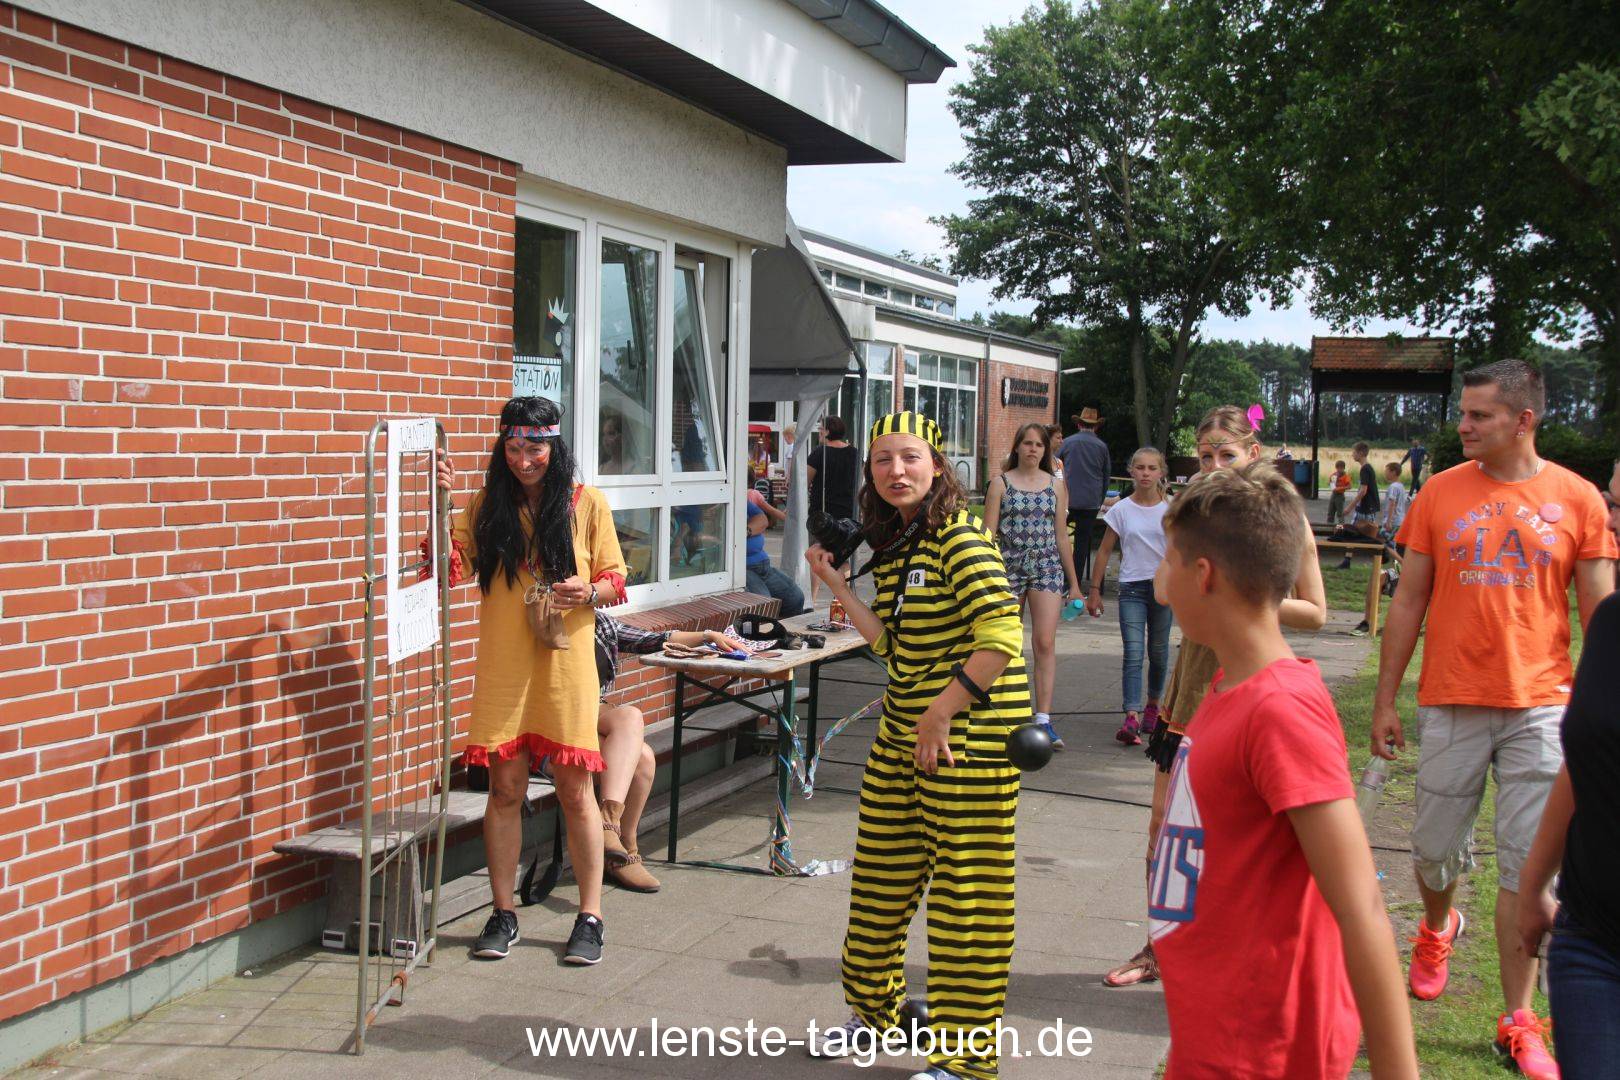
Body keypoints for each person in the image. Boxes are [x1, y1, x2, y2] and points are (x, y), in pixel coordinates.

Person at [1372, 360, 1616, 1080]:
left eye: (1479, 415)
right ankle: (1438, 924)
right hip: (1451, 696)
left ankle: (1519, 1018)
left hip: (1543, 706)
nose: (1464, 425)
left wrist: (1599, 714)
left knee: (1526, 866)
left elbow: (1603, 617)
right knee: (1432, 851)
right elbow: (1409, 600)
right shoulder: (1441, 492)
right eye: (1464, 413)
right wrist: (1386, 699)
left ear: (1523, 420)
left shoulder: (1577, 498)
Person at [1150, 461, 1418, 1079]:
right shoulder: (1230, 684)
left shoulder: (1280, 710)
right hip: (1213, 1027)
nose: (1161, 581)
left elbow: (1362, 908)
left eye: (1168, 561)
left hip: (1260, 1047)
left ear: (1203, 575)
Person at [807, 411, 1028, 1080]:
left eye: (909, 457)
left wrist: (939, 714)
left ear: (937, 465)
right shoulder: (901, 542)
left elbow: (1001, 637)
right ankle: (875, 1015)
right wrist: (838, 586)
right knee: (878, 883)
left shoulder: (961, 538)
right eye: (882, 459)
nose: (896, 470)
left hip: (969, 741)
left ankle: (965, 1060)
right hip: (908, 733)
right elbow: (894, 648)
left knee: (967, 902)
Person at [1103, 404, 1327, 989]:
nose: (1215, 465)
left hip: (1251, 683)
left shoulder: (1283, 518)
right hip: (1192, 686)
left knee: (1232, 833)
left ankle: (1230, 951)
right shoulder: (1190, 514)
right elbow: (1161, 589)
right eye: (1205, 456)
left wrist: (1242, 597)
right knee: (1163, 826)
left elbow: (1316, 611)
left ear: (1253, 454)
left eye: (1226, 454)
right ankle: (1161, 947)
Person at [435, 396, 628, 966]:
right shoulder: (484, 506)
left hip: (566, 669)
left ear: (554, 446)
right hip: (504, 668)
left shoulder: (586, 503)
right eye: (514, 447)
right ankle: (503, 913)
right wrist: (440, 503)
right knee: (504, 791)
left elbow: (615, 577)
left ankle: (590, 916)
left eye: (535, 448)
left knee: (575, 792)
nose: (523, 460)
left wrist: (588, 591)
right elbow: (449, 569)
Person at [593, 612, 748, 893]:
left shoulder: (599, 623)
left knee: (644, 757)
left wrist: (708, 636)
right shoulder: (543, 619)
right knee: (631, 721)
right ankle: (613, 836)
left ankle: (621, 841)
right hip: (557, 722)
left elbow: (654, 639)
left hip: (594, 712)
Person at [984, 423, 1082, 749]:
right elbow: (987, 536)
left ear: (1046, 450)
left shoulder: (1056, 486)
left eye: (1039, 445)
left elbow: (1062, 537)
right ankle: (1001, 713)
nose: (1033, 449)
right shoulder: (999, 484)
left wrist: (1075, 584)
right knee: (1004, 642)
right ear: (1017, 447)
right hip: (1007, 568)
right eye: (1027, 443)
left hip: (1047, 567)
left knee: (1044, 641)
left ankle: (1043, 719)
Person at [1087, 447, 1172, 748]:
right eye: (1140, 467)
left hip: (1163, 589)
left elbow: (1182, 550)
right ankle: (1131, 715)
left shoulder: (1171, 510)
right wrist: (1094, 590)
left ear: (1161, 472)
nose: (1146, 473)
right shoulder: (1121, 509)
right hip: (1131, 587)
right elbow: (1104, 551)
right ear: (1131, 471)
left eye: (1152, 468)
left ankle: (1153, 706)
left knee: (1158, 652)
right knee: (1134, 652)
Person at [1057, 407, 1110, 582]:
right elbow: (1106, 477)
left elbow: (1054, 466)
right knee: (1082, 544)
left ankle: (1057, 578)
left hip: (1066, 500)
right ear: (1096, 427)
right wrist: (1100, 500)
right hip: (1090, 502)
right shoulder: (1102, 447)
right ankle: (1074, 583)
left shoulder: (1067, 442)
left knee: (1058, 538)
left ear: (1079, 424)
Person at [744, 487, 805, 616]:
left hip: (763, 565)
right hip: (743, 568)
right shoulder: (716, 504)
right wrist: (751, 529)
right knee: (764, 607)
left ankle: (781, 628)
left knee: (795, 598)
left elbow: (763, 520)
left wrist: (745, 532)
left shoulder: (742, 500)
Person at [1327, 460, 1351, 525]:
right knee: (1330, 513)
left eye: (1341, 468)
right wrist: (1330, 483)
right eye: (1338, 468)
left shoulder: (1346, 476)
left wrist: (1340, 488)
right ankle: (1329, 528)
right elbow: (1329, 483)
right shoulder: (1334, 475)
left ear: (1344, 468)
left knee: (1340, 514)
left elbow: (1349, 486)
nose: (1339, 470)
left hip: (1340, 495)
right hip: (1333, 495)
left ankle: (1340, 528)